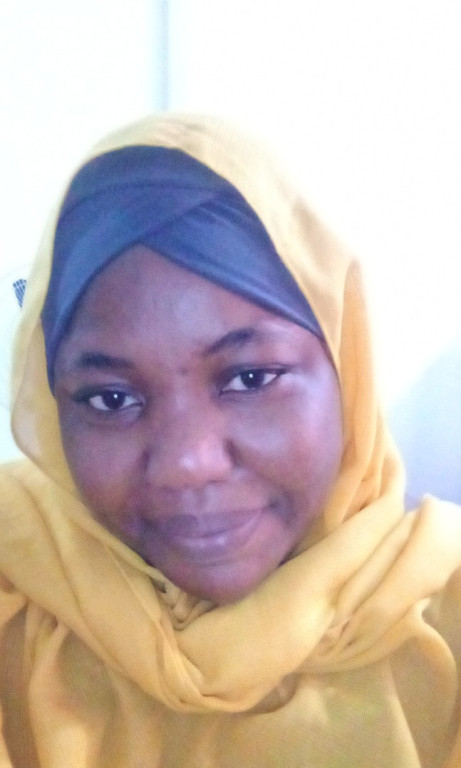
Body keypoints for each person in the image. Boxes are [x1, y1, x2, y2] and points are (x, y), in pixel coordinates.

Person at [1, 113, 461, 768]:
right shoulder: (19, 600)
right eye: (111, 399)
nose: (188, 464)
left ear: (344, 366)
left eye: (250, 378)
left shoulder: (444, 620)